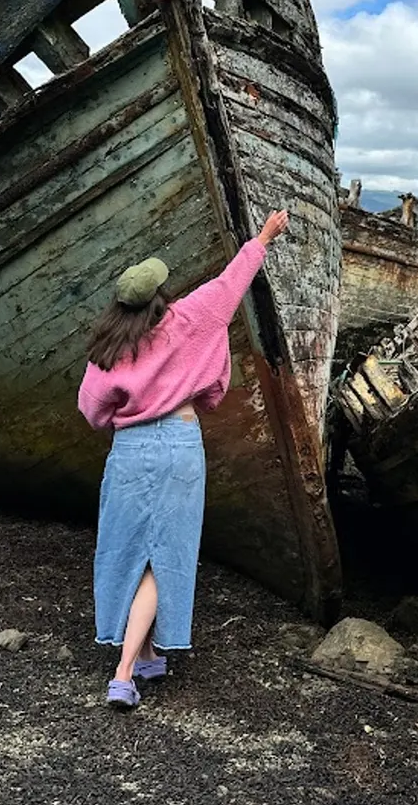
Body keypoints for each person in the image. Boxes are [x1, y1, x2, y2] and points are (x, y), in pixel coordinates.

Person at [77, 208, 289, 711]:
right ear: (161, 295)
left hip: (129, 450)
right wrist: (263, 236)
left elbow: (91, 409)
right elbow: (233, 280)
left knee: (127, 546)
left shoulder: (110, 347)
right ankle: (123, 673)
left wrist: (127, 420)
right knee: (164, 553)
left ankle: (147, 655)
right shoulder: (192, 317)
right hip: (179, 445)